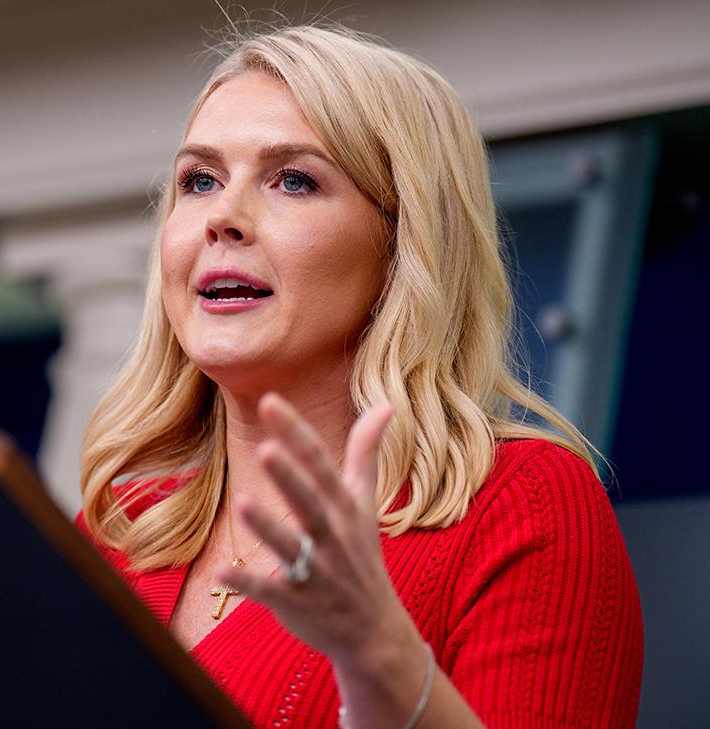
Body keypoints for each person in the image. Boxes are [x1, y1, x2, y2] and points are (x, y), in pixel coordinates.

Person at [75, 24, 643, 729]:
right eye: (199, 180)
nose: (223, 216)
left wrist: (382, 660)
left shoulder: (522, 503)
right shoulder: (118, 531)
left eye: (294, 180)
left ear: (404, 245)